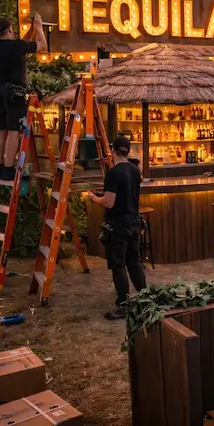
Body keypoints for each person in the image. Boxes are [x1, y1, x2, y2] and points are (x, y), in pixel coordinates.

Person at [88, 136, 147, 320]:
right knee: (134, 262)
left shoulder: (113, 173)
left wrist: (94, 198)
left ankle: (122, 304)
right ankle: (146, 298)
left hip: (118, 225)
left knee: (118, 265)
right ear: (127, 152)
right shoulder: (135, 170)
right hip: (134, 223)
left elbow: (109, 202)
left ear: (112, 151)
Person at [0, 14, 47, 180]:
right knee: (14, 131)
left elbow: (19, 44)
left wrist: (30, 30)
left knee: (1, 130)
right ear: (10, 29)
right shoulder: (16, 47)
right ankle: (9, 170)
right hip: (15, 94)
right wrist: (39, 27)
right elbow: (42, 46)